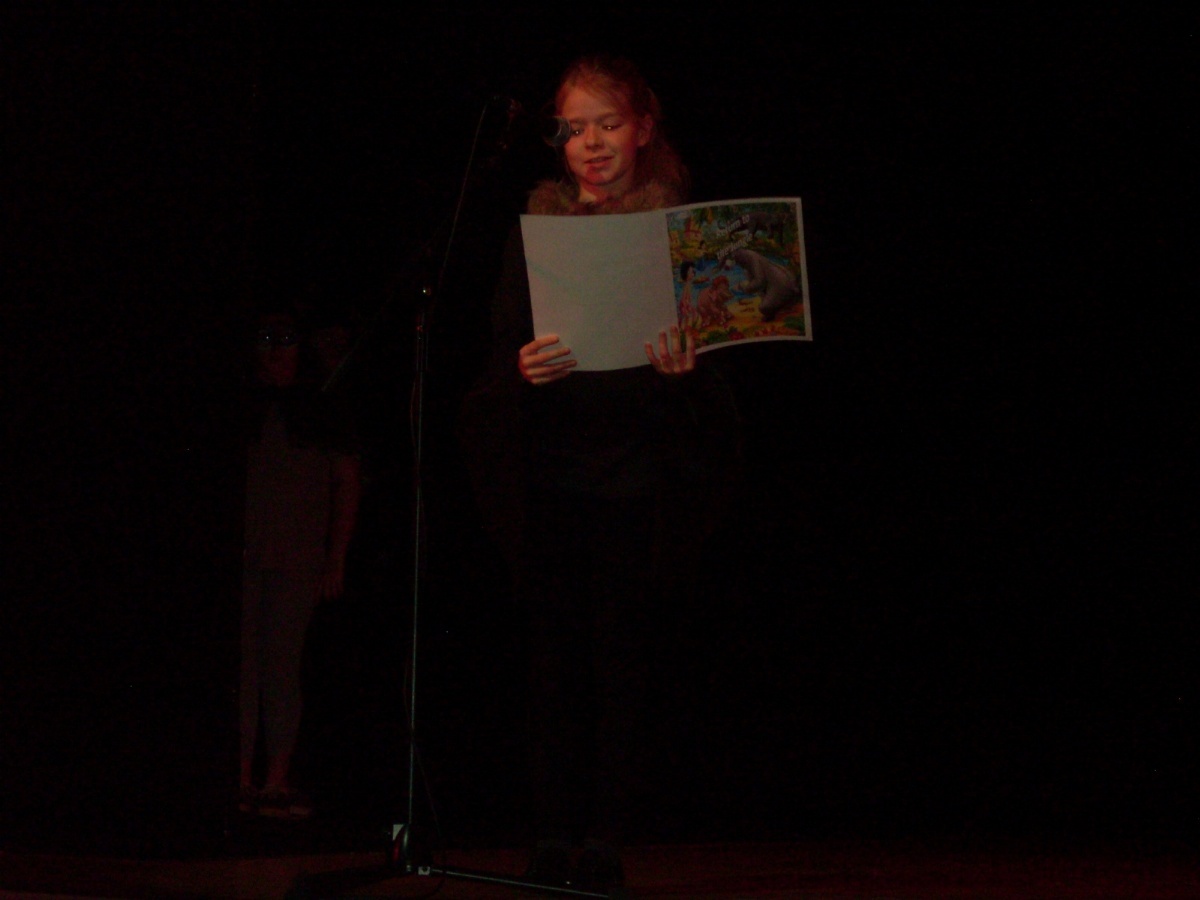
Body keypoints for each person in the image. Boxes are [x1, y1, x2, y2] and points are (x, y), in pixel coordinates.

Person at [462, 55, 739, 892]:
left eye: (608, 124)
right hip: (552, 482)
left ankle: (605, 837)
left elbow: (723, 393)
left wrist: (687, 373)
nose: (590, 143)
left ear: (643, 129)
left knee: (621, 669)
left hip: (638, 486)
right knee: (550, 670)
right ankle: (551, 833)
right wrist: (522, 370)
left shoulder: (683, 236)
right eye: (575, 128)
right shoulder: (538, 230)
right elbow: (497, 357)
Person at [239, 308, 362, 819]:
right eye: (266, 338)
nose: (275, 350)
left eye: (285, 338)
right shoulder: (246, 404)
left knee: (282, 665)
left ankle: (275, 779)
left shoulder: (322, 405)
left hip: (297, 557)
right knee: (244, 667)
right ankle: (240, 780)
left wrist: (336, 558)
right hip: (247, 556)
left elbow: (347, 483)